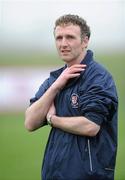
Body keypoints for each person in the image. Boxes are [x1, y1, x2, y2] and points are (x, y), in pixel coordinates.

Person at [25, 14, 118, 180]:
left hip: (87, 175)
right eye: (59, 38)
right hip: (53, 174)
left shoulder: (98, 78)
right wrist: (54, 88)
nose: (63, 44)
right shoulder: (55, 79)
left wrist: (52, 119)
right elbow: (30, 122)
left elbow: (90, 126)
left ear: (85, 41)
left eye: (70, 37)